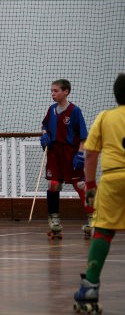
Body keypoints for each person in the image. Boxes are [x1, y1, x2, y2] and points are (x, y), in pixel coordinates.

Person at [73, 73, 125, 313]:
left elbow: (91, 154)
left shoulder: (105, 117)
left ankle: (90, 287)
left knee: (103, 231)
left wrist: (91, 185)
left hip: (113, 178)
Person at [40, 79, 89, 239]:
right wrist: (45, 135)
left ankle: (94, 219)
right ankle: (54, 221)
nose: (53, 94)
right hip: (54, 153)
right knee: (54, 184)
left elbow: (83, 137)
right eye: (51, 91)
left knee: (80, 184)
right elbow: (44, 126)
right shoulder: (51, 110)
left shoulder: (75, 111)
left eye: (56, 90)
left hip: (70, 153)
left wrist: (80, 154)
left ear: (66, 91)